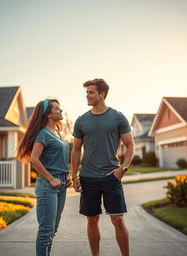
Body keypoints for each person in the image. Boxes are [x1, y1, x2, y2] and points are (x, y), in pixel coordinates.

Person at [71, 79, 135, 256]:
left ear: (102, 94)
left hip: (110, 176)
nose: (87, 96)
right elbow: (76, 149)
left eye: (91, 92)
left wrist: (123, 168)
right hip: (88, 177)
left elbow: (130, 144)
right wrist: (74, 176)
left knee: (118, 219)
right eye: (87, 92)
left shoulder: (117, 117)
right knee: (92, 219)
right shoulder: (82, 120)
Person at [17, 99, 71, 256]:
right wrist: (51, 178)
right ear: (48, 114)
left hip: (60, 184)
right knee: (46, 231)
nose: (61, 111)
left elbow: (58, 159)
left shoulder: (58, 134)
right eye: (57, 108)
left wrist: (66, 176)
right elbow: (34, 159)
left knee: (52, 230)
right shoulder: (43, 134)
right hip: (48, 186)